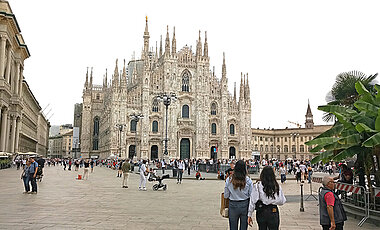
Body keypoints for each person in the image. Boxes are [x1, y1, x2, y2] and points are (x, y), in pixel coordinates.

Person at [224, 160, 253, 230]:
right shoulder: (248, 180)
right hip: (245, 205)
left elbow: (226, 195)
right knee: (244, 227)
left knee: (233, 227)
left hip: (233, 205)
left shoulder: (229, 180)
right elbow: (251, 195)